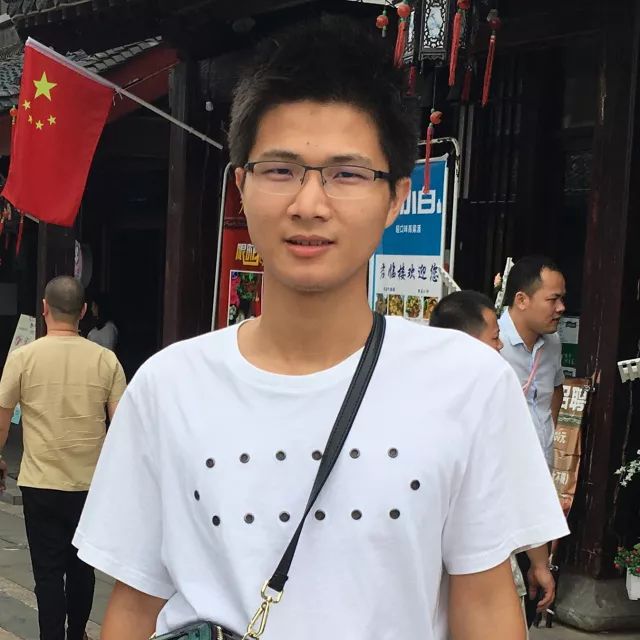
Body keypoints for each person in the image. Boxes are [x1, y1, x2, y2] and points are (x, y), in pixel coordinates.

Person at [73, 20, 568, 640]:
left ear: (396, 198)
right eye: (280, 170)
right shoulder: (167, 387)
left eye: (347, 173)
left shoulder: (468, 383)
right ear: (241, 186)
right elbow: (134, 605)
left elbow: (485, 606)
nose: (309, 204)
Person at [0, 276, 127, 640]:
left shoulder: (23, 358)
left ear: (44, 308)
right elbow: (122, 426)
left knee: (48, 572)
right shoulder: (106, 360)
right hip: (89, 485)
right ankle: (77, 634)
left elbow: (2, 418)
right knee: (83, 568)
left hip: (40, 483)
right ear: (83, 311)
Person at [430, 290, 557, 633]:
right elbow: (520, 484)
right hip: (477, 560)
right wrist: (540, 564)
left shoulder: (412, 393)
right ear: (467, 342)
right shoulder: (492, 390)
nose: (499, 347)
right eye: (495, 337)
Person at [499, 256, 566, 468]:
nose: (561, 307)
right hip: (502, 469)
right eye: (553, 299)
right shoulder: (492, 342)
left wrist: (547, 431)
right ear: (521, 300)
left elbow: (556, 387)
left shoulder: (553, 342)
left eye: (562, 299)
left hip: (542, 465)